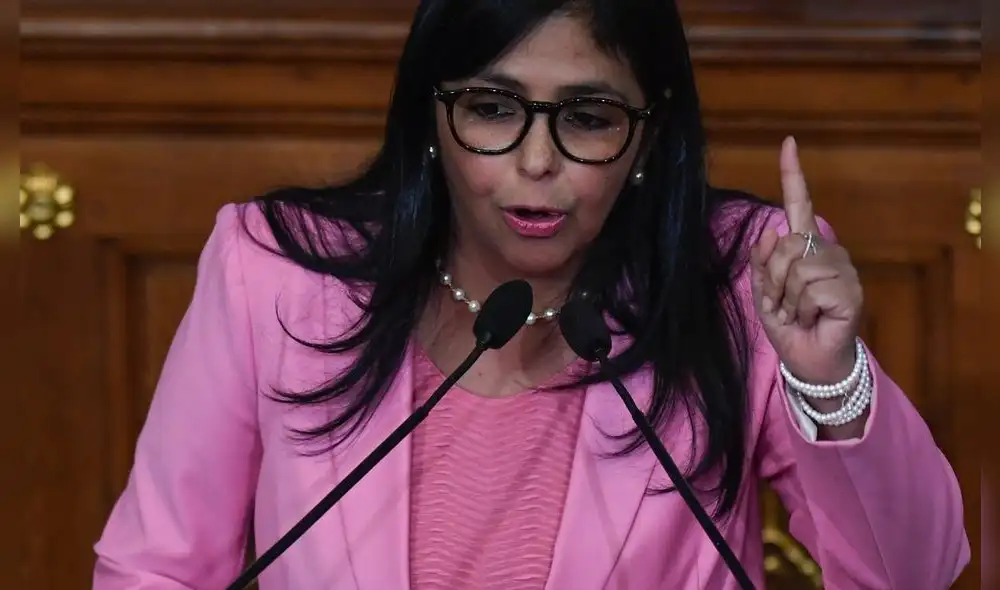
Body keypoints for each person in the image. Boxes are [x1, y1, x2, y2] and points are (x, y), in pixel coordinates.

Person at [92, 1, 970, 588]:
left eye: (587, 117)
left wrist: (828, 376)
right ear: (431, 117)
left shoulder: (743, 279)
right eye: (493, 107)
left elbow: (915, 572)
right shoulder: (275, 271)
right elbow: (155, 572)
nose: (537, 161)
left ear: (648, 135)